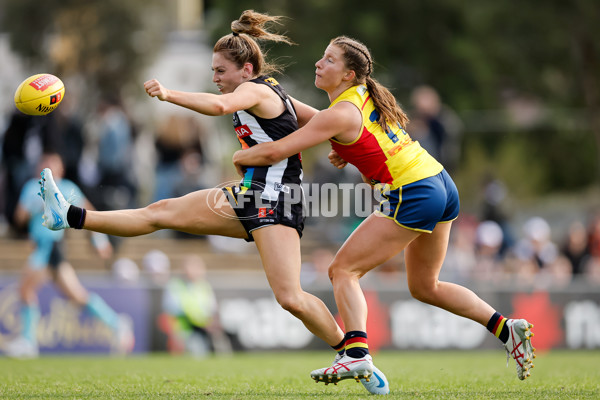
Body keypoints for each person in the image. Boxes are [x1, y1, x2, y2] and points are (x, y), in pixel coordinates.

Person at [36, 10, 385, 393]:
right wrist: (342, 150)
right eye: (213, 71)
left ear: (246, 69)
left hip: (274, 201)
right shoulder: (270, 91)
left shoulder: (254, 90)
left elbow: (221, 108)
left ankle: (354, 354)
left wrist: (170, 94)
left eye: (221, 71)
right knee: (159, 212)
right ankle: (67, 215)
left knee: (291, 297)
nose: (215, 78)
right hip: (248, 195)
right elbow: (321, 118)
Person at [232, 36, 536, 384]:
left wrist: (240, 157)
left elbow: (276, 151)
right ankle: (506, 328)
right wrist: (344, 151)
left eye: (329, 60)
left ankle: (357, 354)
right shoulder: (359, 99)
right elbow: (345, 138)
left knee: (342, 270)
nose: (319, 63)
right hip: (439, 182)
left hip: (415, 190)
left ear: (348, 74)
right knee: (425, 286)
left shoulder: (341, 112)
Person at [4, 153, 134, 358]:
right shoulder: (32, 187)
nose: (49, 167)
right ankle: (117, 324)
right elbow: (19, 218)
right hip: (41, 246)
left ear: (61, 169)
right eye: (45, 164)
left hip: (50, 246)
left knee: (25, 290)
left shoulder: (67, 188)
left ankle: (28, 343)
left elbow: (90, 214)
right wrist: (36, 206)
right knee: (76, 296)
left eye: (53, 164)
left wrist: (99, 241)